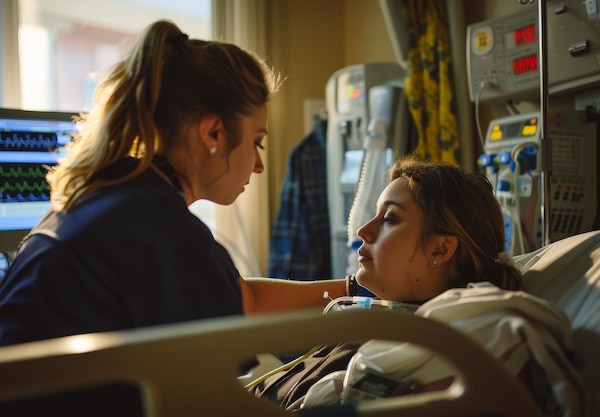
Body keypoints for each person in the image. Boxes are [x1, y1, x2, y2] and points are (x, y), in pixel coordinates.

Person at [0, 19, 347, 347]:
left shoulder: (111, 195)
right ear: (212, 132)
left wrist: (354, 288)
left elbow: (248, 301)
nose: (258, 165)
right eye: (256, 142)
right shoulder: (165, 232)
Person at [252, 153, 588, 416]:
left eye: (390, 219)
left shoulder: (425, 353)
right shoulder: (375, 326)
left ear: (440, 248)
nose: (363, 231)